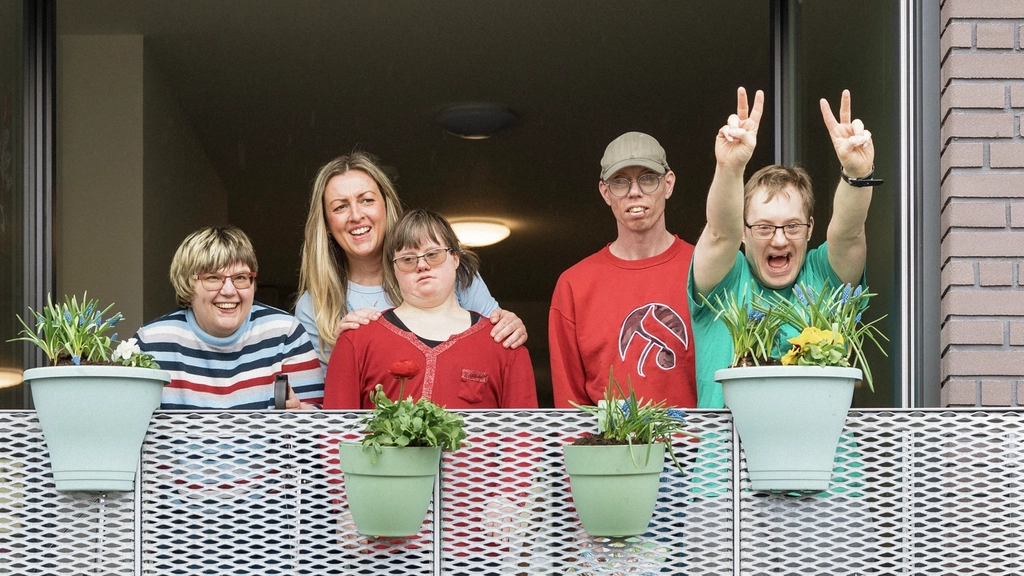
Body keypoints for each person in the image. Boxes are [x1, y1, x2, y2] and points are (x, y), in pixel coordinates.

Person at [688, 87, 878, 408]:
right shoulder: (725, 279)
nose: (779, 240)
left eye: (792, 226)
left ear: (810, 229)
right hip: (730, 442)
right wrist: (730, 167)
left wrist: (857, 174)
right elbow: (720, 234)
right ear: (743, 233)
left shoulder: (823, 274)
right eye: (764, 227)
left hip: (822, 442)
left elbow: (849, 234)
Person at [295, 152, 527, 376]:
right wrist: (344, 351)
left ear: (386, 205)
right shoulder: (314, 305)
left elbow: (497, 344)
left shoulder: (447, 266)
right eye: (340, 207)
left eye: (367, 200)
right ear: (326, 223)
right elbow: (325, 398)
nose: (356, 215)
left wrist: (510, 326)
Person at [323, 209, 537, 409]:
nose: (422, 265)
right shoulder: (356, 341)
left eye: (433, 254)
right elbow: (336, 433)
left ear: (456, 258)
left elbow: (523, 435)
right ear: (393, 269)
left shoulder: (504, 342)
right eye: (407, 259)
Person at [548, 132, 697, 408]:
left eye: (648, 178)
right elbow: (570, 405)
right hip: (608, 438)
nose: (634, 191)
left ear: (668, 184)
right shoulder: (574, 285)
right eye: (620, 181)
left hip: (696, 437)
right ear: (605, 192)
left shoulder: (702, 268)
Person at [134, 225, 323, 409]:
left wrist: (300, 411)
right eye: (213, 278)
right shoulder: (151, 343)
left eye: (240, 278)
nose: (229, 291)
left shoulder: (285, 333)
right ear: (187, 284)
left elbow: (318, 419)